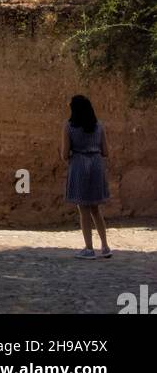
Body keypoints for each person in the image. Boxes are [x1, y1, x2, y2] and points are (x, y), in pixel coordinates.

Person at [62, 94, 112, 258]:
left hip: (79, 165)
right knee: (96, 209)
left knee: (83, 209)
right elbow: (106, 151)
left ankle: (89, 248)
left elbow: (64, 154)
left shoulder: (69, 127)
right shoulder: (99, 126)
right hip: (97, 165)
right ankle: (105, 247)